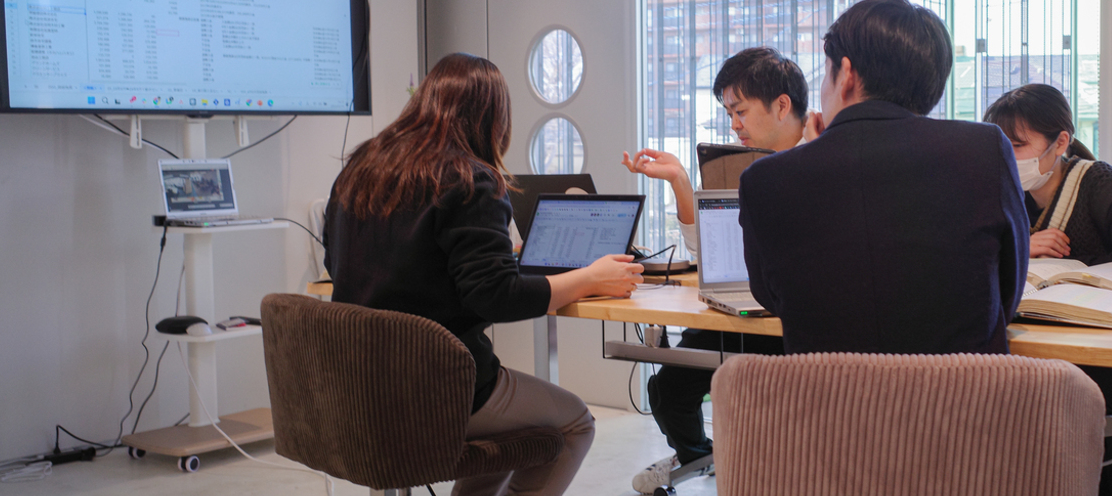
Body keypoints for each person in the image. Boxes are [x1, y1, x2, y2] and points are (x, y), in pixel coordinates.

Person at [324, 53, 644, 496]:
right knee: (574, 423)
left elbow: (340, 262)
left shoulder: (361, 169)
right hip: (436, 390)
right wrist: (590, 277)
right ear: (493, 118)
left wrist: (486, 257)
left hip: (355, 386)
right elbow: (496, 296)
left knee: (507, 434)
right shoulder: (468, 179)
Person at [740, 0, 1030, 357]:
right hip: (962, 405)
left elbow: (773, 296)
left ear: (846, 74)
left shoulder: (766, 179)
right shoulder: (983, 149)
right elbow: (1006, 294)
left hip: (826, 406)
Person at [620, 46, 807, 494]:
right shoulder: (738, 164)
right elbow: (713, 252)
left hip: (799, 319)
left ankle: (750, 467)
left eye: (740, 111)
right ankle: (705, 458)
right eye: (728, 113)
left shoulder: (824, 160)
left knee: (764, 408)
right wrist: (682, 183)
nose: (734, 124)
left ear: (782, 105)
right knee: (667, 390)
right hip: (741, 306)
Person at [984, 83, 1112, 496]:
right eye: (1000, 145)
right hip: (1047, 346)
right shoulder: (1004, 195)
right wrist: (1021, 247)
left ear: (1061, 142)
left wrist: (1070, 268)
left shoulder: (1098, 183)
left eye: (1017, 145)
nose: (1007, 157)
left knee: (1060, 404)